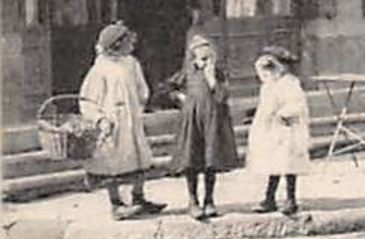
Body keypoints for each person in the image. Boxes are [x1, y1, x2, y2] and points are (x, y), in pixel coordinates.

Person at [79, 24, 163, 220]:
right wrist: (100, 119)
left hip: (132, 118)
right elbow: (88, 100)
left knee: (139, 158)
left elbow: (142, 88)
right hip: (112, 122)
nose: (132, 45)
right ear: (116, 45)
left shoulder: (131, 63)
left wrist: (138, 105)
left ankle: (138, 197)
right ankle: (116, 203)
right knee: (112, 163)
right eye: (128, 42)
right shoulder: (100, 69)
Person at [166, 33, 239, 220]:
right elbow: (170, 89)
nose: (206, 61)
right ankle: (193, 200)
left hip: (213, 120)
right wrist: (182, 98)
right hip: (193, 120)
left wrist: (212, 77)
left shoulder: (219, 73)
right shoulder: (188, 72)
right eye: (202, 57)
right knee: (191, 159)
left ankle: (209, 199)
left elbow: (223, 96)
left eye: (209, 56)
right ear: (194, 57)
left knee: (210, 160)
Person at [247, 45, 312, 216]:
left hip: (286, 129)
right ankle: (270, 198)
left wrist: (284, 114)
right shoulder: (268, 86)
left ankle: (291, 199)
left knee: (288, 165)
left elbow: (297, 104)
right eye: (265, 70)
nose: (268, 73)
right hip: (271, 130)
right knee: (273, 164)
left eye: (272, 68)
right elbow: (266, 105)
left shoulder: (290, 84)